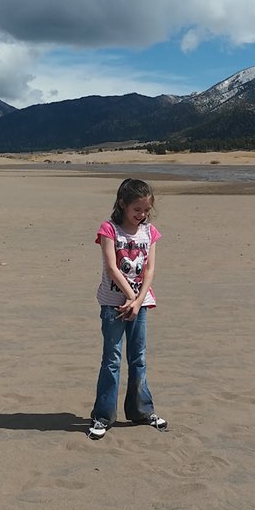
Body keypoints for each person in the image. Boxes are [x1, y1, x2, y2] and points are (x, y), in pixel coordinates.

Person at [88, 178, 167, 439]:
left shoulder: (149, 232)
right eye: (137, 210)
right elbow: (112, 267)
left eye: (146, 210)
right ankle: (102, 416)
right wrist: (130, 297)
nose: (142, 215)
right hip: (114, 305)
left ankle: (141, 411)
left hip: (139, 305)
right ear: (122, 204)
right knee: (111, 360)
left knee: (138, 358)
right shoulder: (109, 229)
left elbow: (150, 270)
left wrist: (138, 300)